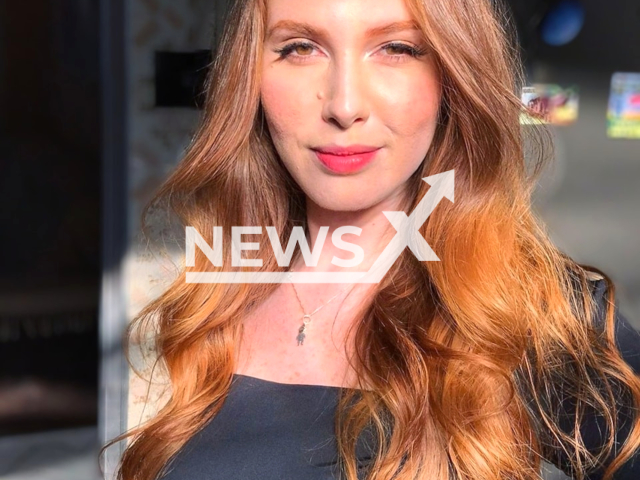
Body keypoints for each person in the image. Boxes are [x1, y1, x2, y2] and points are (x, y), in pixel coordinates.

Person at [102, 0, 640, 479]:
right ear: (252, 75)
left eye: (396, 48)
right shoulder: (222, 293)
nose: (343, 104)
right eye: (300, 47)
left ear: (453, 75)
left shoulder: (531, 312)